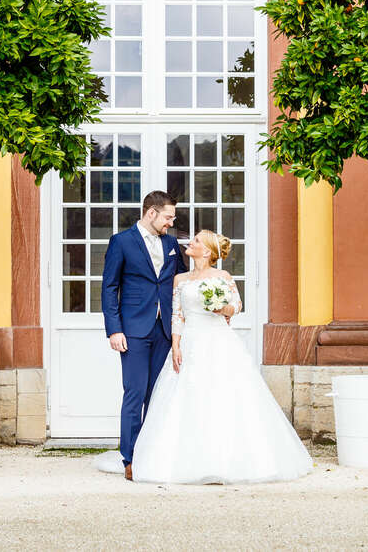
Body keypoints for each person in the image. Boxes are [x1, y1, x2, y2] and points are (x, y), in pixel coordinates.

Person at [129, 229, 312, 484]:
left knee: (224, 395)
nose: (189, 243)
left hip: (219, 341)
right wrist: (177, 345)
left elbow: (236, 306)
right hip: (190, 341)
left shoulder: (222, 276)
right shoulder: (180, 279)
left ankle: (227, 460)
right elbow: (177, 314)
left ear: (206, 251)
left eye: (195, 241)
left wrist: (221, 307)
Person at [101, 190, 190, 481]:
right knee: (135, 394)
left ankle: (153, 453)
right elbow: (109, 288)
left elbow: (183, 282)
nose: (170, 223)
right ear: (151, 213)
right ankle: (130, 457)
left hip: (165, 332)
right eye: (167, 217)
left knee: (158, 394)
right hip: (133, 331)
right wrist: (114, 329)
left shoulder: (172, 243)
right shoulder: (121, 242)